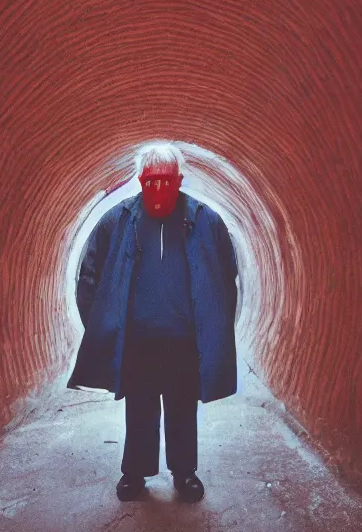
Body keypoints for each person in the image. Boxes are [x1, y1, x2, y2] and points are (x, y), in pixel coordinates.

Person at [67, 143, 238, 503]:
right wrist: (103, 328)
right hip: (138, 341)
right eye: (152, 181)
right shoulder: (117, 220)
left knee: (181, 407)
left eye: (167, 181)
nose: (160, 190)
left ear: (180, 179)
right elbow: (90, 278)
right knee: (140, 408)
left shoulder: (204, 219)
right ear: (141, 180)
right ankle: (134, 473)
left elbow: (226, 278)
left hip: (184, 341)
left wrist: (215, 330)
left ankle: (185, 472)